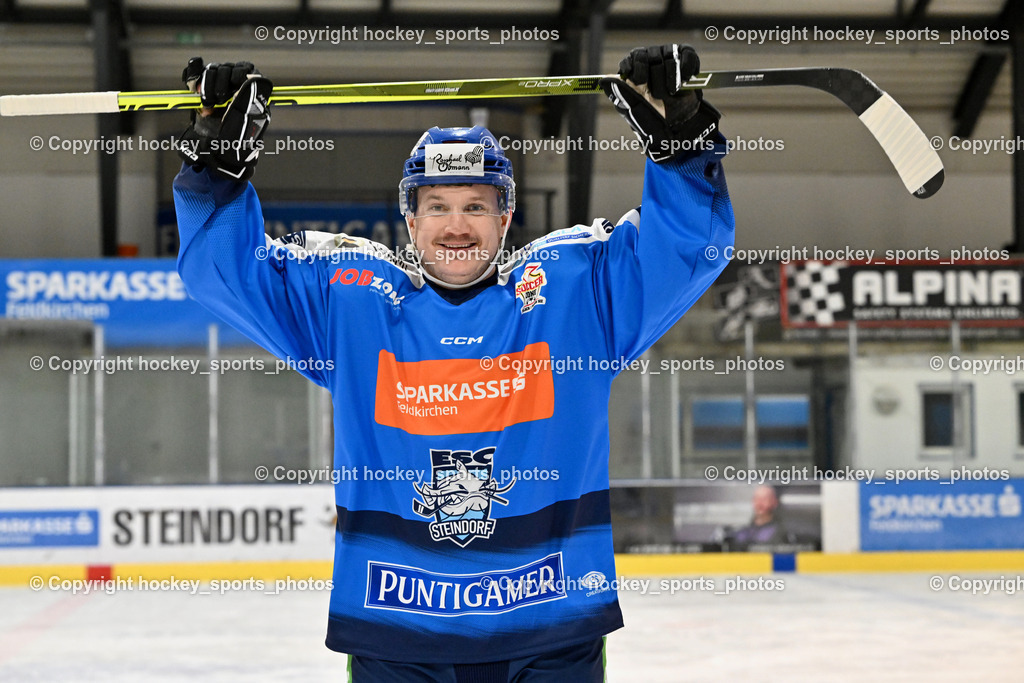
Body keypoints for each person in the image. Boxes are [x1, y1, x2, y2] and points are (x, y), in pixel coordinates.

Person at [173, 44, 733, 682]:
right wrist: (217, 166)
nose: (457, 225)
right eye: (437, 206)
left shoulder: (576, 291)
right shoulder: (351, 300)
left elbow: (688, 251)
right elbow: (222, 275)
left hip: (551, 634)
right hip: (397, 636)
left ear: (506, 216)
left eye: (476, 205)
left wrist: (682, 145)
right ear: (409, 220)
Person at [728, 485, 793, 550]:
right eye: (757, 498)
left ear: (774, 502)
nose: (760, 503)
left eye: (765, 499)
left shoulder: (781, 532)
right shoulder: (744, 532)